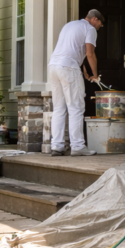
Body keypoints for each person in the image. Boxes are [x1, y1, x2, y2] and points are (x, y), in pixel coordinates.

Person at [48, 10, 104, 157]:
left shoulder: (70, 25)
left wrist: (84, 70)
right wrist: (95, 75)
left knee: (59, 108)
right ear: (94, 19)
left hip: (54, 66)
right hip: (68, 68)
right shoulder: (90, 29)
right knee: (76, 108)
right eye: (100, 23)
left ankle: (57, 146)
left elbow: (73, 50)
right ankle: (78, 146)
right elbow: (90, 54)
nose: (100, 26)